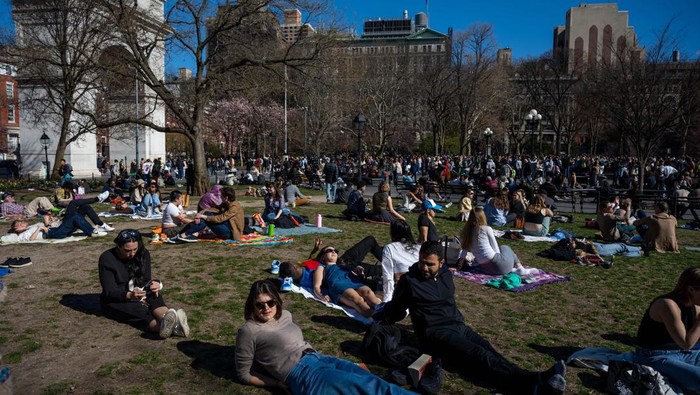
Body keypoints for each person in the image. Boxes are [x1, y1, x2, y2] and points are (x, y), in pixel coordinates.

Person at [376, 241, 567, 394]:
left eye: (430, 264)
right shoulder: (410, 281)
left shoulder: (445, 275)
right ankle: (533, 382)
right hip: (435, 333)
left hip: (457, 325)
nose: (424, 267)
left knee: (489, 349)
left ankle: (529, 378)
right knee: (479, 355)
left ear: (441, 263)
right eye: (422, 262)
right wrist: (382, 319)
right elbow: (397, 310)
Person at [235, 280, 415, 394]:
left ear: (277, 301)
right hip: (301, 374)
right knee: (370, 388)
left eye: (270, 302)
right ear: (252, 305)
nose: (266, 308)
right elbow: (244, 374)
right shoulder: (249, 330)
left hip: (320, 359)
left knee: (373, 381)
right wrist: (275, 383)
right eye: (260, 305)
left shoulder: (285, 315)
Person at [98, 229, 189, 339]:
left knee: (153, 295)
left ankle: (168, 318)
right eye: (127, 250)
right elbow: (109, 292)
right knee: (138, 311)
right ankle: (167, 327)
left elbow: (146, 280)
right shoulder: (107, 258)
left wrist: (156, 284)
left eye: (135, 249)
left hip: (139, 291)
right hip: (117, 299)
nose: (132, 253)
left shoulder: (142, 253)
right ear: (118, 246)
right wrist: (130, 295)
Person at [634, 267, 700, 394]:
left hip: (683, 354)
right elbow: (686, 343)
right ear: (691, 289)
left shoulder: (694, 306)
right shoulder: (668, 305)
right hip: (655, 357)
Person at [313, 244, 383, 317]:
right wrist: (321, 296)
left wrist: (359, 272)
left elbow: (354, 274)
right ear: (323, 257)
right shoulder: (322, 267)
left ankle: (385, 311)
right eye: (329, 251)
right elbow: (317, 285)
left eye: (335, 251)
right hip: (338, 284)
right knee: (357, 300)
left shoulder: (343, 265)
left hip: (352, 281)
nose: (333, 252)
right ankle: (377, 318)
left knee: (368, 293)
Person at [460, 207, 532, 275]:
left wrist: (459, 265)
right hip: (499, 266)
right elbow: (496, 248)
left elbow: (464, 251)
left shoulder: (467, 232)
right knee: (504, 247)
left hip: (485, 269)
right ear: (483, 217)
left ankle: (512, 269)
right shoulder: (486, 229)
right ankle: (520, 267)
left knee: (500, 253)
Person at [8, 198, 113, 241]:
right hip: (56, 233)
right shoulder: (22, 235)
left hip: (58, 227)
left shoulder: (29, 228)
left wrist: (50, 222)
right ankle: (92, 231)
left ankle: (101, 224)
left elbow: (45, 227)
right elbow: (31, 239)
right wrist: (39, 228)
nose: (22, 223)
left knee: (85, 207)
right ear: (16, 229)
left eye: (20, 222)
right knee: (73, 206)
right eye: (19, 224)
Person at [171, 187, 245, 242]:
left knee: (207, 219)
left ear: (226, 198)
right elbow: (214, 209)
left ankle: (185, 234)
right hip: (227, 226)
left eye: (221, 196)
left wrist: (203, 216)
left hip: (230, 233)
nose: (220, 197)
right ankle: (188, 235)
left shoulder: (234, 207)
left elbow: (220, 218)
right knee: (207, 214)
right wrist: (200, 213)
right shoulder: (227, 203)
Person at [381, 219, 420, 302]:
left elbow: (388, 276)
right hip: (420, 288)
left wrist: (387, 301)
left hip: (405, 287)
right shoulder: (418, 247)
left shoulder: (389, 248)